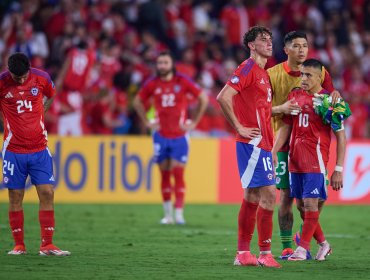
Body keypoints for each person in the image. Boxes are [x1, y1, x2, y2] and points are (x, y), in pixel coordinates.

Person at [216, 26, 300, 268]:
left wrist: (280, 110)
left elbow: (259, 108)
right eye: (263, 40)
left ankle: (244, 254)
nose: (268, 42)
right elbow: (223, 96)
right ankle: (264, 252)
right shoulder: (248, 68)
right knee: (270, 194)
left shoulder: (263, 74)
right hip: (252, 142)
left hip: (263, 143)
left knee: (253, 195)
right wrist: (239, 127)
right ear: (251, 45)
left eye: (270, 39)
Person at [267, 31, 340, 259]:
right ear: (286, 49)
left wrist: (336, 94)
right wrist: (280, 110)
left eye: (305, 45)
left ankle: (306, 240)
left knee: (310, 201)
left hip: (312, 145)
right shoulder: (272, 74)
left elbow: (329, 97)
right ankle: (289, 246)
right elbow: (261, 107)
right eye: (296, 46)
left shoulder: (320, 71)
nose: (301, 50)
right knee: (287, 198)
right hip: (283, 139)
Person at [0, 52, 70, 256]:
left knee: (47, 192)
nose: (20, 80)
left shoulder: (42, 78)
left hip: (39, 147)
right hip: (13, 150)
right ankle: (19, 245)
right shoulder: (2, 83)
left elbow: (51, 94)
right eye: (16, 77)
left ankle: (47, 245)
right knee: (15, 195)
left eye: (23, 76)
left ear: (29, 69)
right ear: (8, 70)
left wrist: (42, 111)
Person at [133, 51, 208, 225]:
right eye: (159, 63)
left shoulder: (182, 81)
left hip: (180, 136)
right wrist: (146, 121)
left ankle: (179, 213)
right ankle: (167, 215)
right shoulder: (152, 83)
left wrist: (194, 122)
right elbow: (137, 101)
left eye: (165, 63)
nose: (162, 66)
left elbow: (203, 98)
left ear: (172, 64)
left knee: (178, 173)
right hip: (160, 135)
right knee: (164, 174)